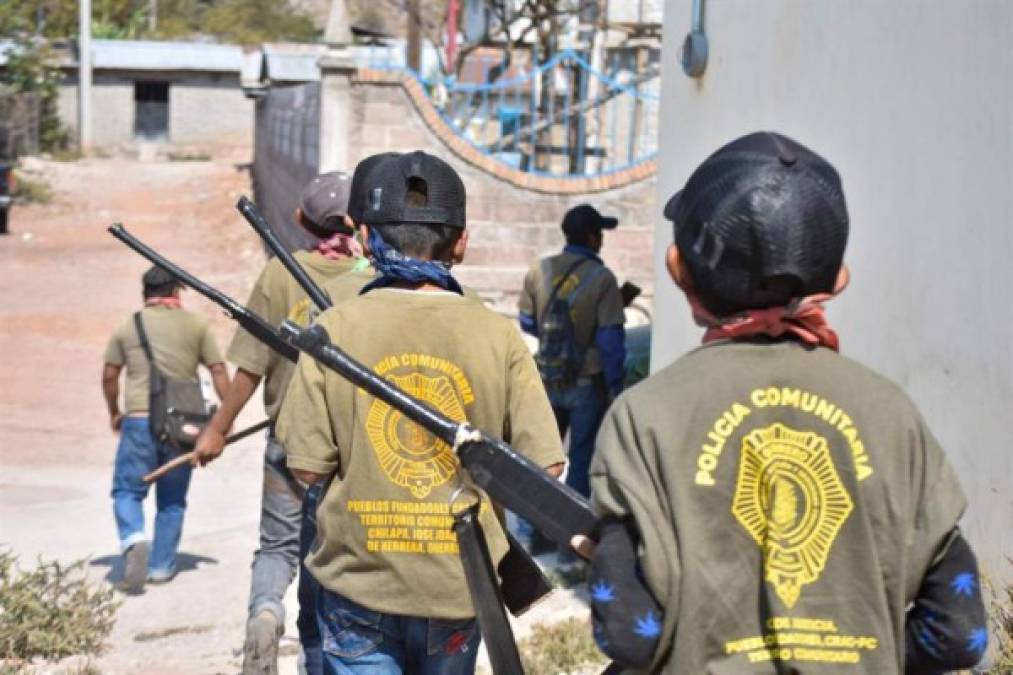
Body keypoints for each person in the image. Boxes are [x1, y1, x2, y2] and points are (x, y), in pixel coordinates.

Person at [577, 132, 987, 673]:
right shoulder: (894, 416)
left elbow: (633, 637)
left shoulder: (644, 419)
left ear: (679, 271)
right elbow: (960, 636)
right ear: (837, 279)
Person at [277, 150, 565, 675]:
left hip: (358, 584)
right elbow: (544, 471)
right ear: (462, 242)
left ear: (365, 238)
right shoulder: (499, 336)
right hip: (459, 587)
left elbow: (306, 467)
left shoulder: (334, 330)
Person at [193, 171, 365, 675]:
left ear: (299, 220)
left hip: (287, 443)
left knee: (277, 547)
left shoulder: (277, 274)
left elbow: (250, 365)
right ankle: (315, 656)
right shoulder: (373, 281)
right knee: (327, 555)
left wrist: (217, 430)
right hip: (346, 452)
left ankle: (266, 612)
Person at [102, 265, 229, 592]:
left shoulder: (129, 326)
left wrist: (114, 412)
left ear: (146, 293)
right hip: (183, 424)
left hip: (139, 420)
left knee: (128, 490)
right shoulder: (196, 325)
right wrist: (225, 420)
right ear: (175, 291)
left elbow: (109, 374)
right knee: (172, 499)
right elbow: (217, 371)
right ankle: (160, 566)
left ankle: (133, 538)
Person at [517, 204, 626, 556]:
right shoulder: (603, 278)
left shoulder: (539, 270)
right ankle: (570, 543)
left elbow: (527, 322)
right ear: (593, 237)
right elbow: (611, 343)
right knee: (579, 462)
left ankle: (530, 536)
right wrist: (614, 387)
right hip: (586, 382)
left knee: (540, 459)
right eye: (601, 234)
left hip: (546, 379)